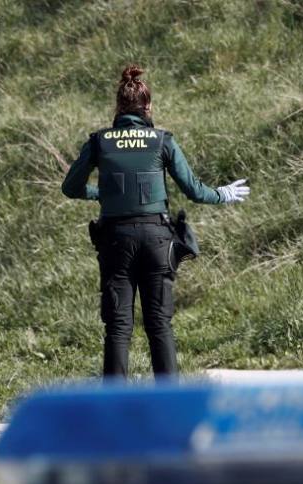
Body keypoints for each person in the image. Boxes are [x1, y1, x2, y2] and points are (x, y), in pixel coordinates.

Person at [62, 65, 250, 380]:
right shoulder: (161, 140)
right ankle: (170, 403)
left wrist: (102, 193)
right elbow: (194, 190)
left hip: (115, 241)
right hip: (156, 240)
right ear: (148, 107)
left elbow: (70, 188)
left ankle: (114, 408)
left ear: (118, 107)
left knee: (118, 327)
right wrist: (223, 194)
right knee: (159, 324)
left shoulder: (99, 141)